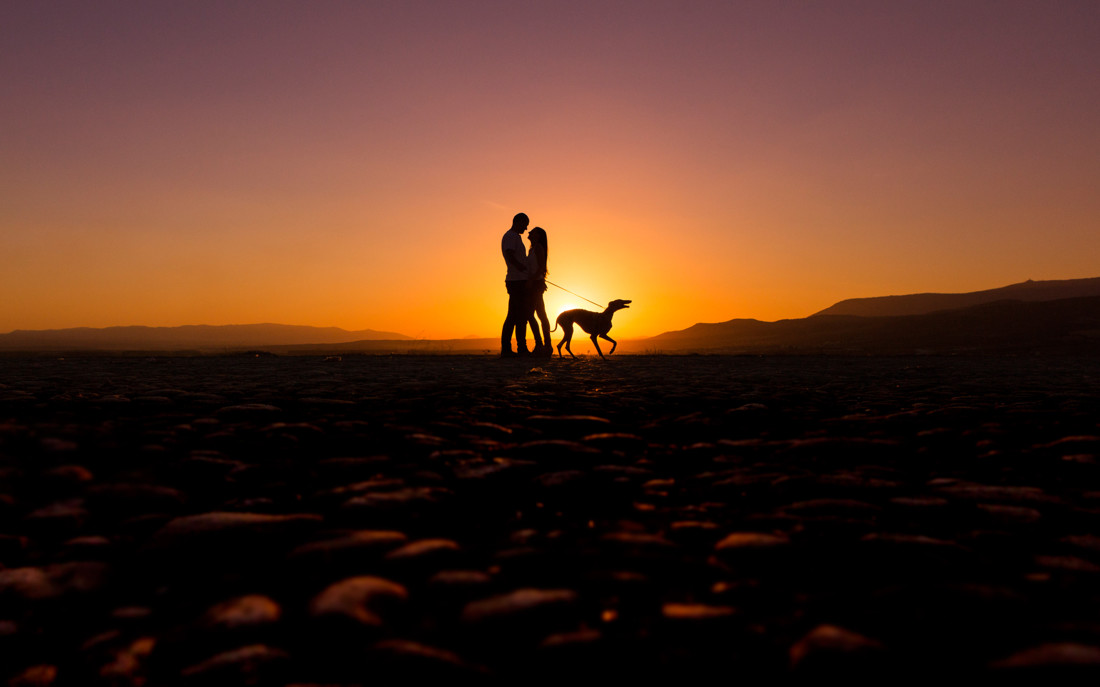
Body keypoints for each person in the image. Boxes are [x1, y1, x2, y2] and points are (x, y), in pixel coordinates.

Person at [500, 212, 530, 357]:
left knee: (515, 316)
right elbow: (510, 254)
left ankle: (514, 348)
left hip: (517, 280)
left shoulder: (514, 237)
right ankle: (516, 349)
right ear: (518, 222)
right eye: (525, 225)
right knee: (516, 316)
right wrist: (520, 267)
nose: (526, 229)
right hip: (516, 280)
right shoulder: (511, 236)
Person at [526, 226, 552, 356]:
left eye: (533, 231)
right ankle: (544, 345)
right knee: (539, 314)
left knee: (534, 315)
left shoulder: (538, 248)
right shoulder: (532, 249)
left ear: (538, 236)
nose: (529, 232)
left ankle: (542, 345)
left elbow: (541, 267)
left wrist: (533, 280)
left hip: (536, 284)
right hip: (535, 283)